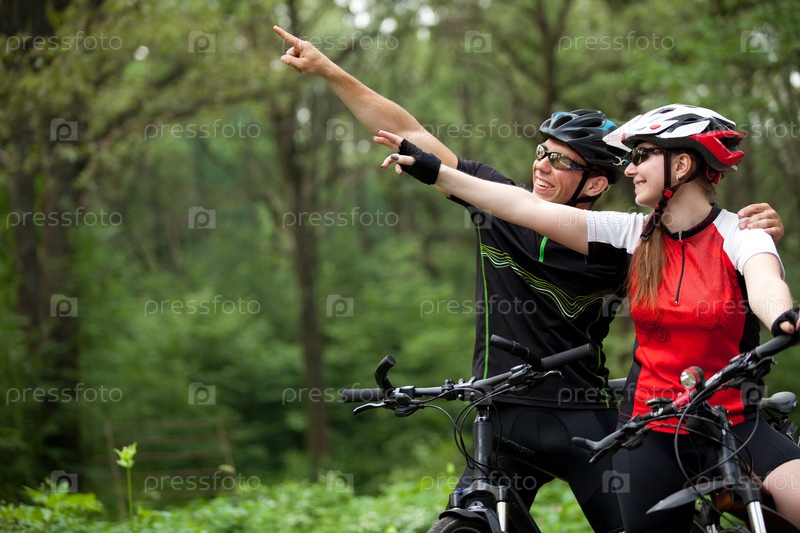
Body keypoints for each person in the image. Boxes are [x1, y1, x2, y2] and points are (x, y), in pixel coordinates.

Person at [273, 27, 787, 533]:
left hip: (581, 414)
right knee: (469, 521)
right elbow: (414, 135)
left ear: (595, 182)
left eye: (560, 160)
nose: (541, 165)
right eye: (541, 151)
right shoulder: (501, 207)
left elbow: (704, 255)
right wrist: (329, 70)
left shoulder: (622, 244)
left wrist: (758, 244)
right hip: (501, 413)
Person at [376, 103, 800, 531]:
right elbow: (520, 206)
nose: (630, 170)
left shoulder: (742, 234)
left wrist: (783, 317)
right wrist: (436, 171)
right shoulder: (631, 234)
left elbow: (765, 283)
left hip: (733, 421)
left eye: (641, 156)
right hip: (651, 429)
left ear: (682, 165)